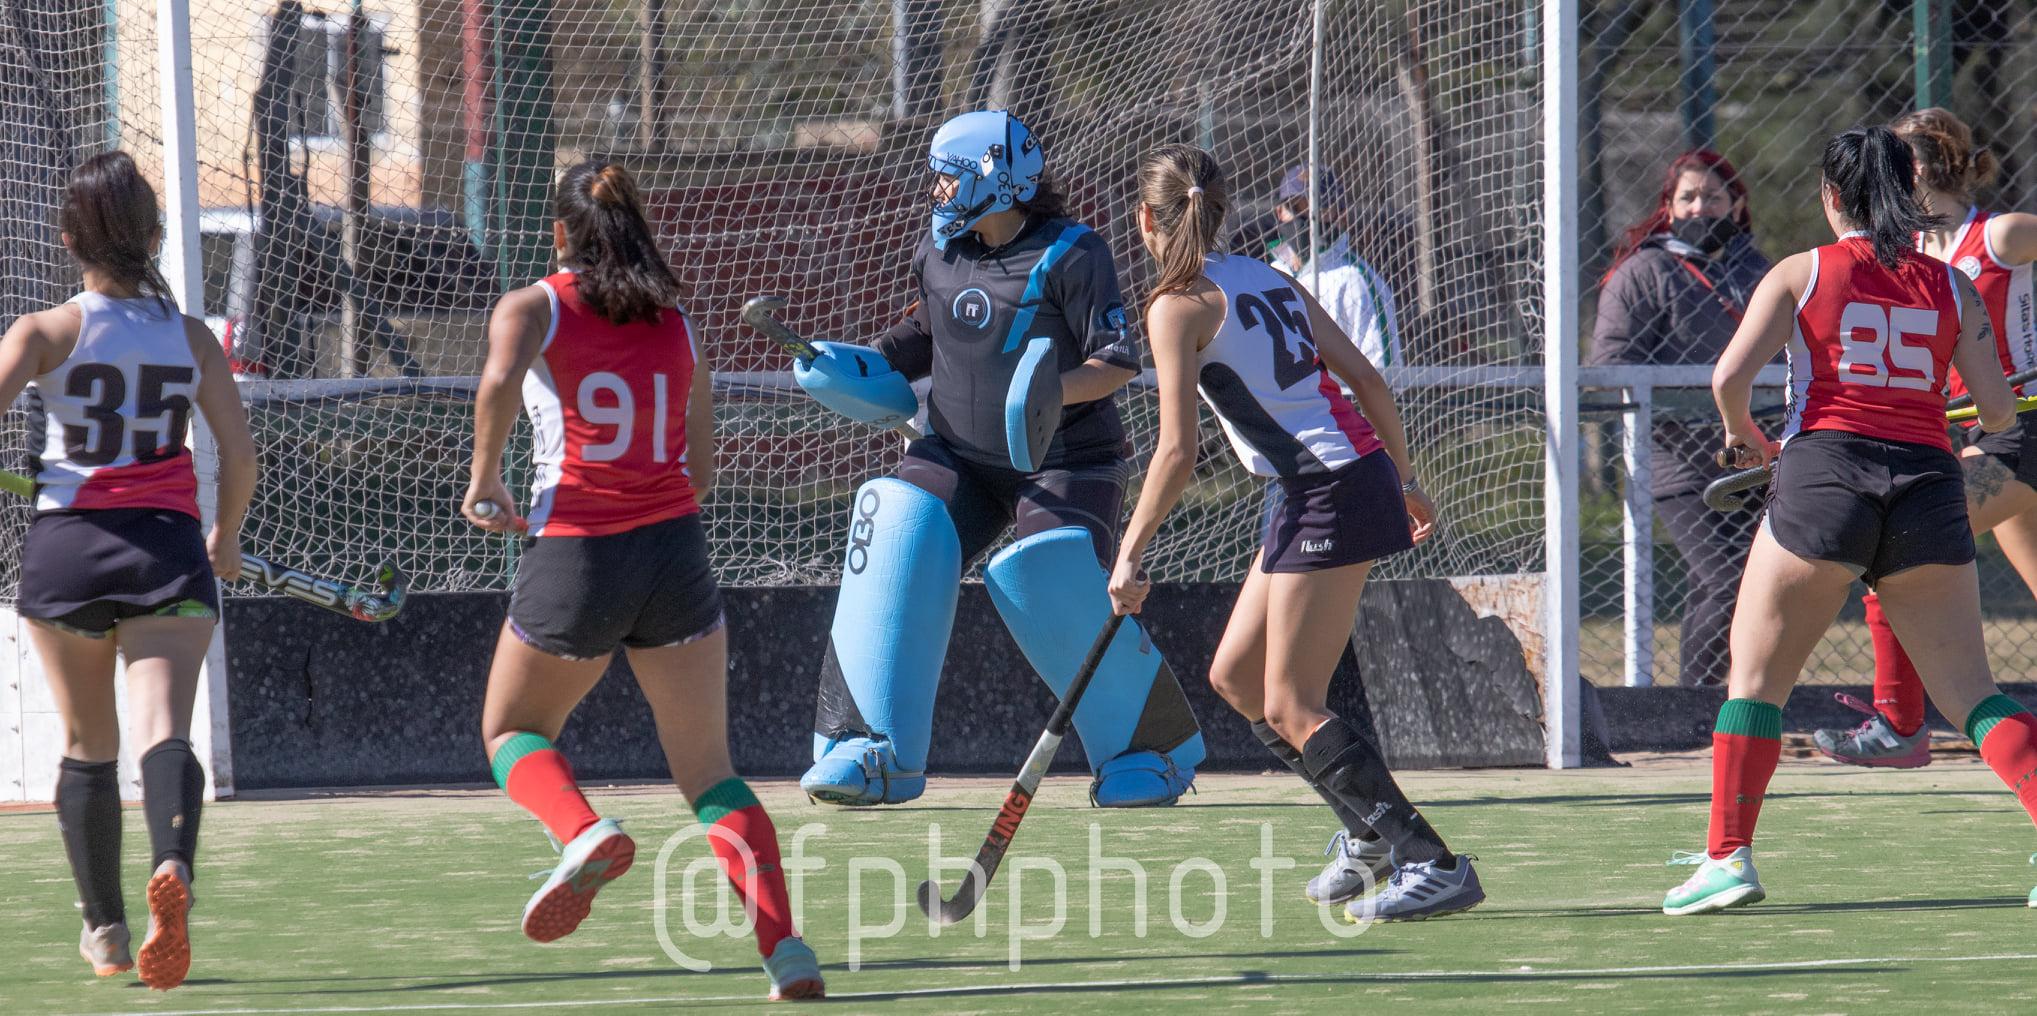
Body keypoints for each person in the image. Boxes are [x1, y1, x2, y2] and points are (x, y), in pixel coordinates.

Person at [460, 161, 822, 1000]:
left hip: (579, 552)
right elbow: (699, 473)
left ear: (560, 234)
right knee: (710, 773)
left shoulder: (531, 306)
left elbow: (496, 383)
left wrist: (485, 480)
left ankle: (581, 832)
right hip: (676, 555)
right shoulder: (679, 325)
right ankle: (787, 952)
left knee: (511, 730)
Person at [1664, 126, 2037, 916]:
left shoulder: (1800, 271)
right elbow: (1997, 410)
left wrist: (1747, 437)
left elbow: (1729, 378)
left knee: (1756, 683)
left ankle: (1728, 859)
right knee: (1973, 696)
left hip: (1821, 481)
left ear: (1831, 197)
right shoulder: (1952, 285)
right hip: (1930, 488)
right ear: (1907, 195)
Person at [1107, 143, 1483, 922]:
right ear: (1221, 209)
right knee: (1238, 680)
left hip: (1331, 490)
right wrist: (1405, 477)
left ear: (1144, 219)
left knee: (1288, 700)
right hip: (1326, 482)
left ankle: (1430, 862)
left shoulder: (1173, 306)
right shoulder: (1271, 277)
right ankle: (1368, 834)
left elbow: (1176, 451)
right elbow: (1368, 379)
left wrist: (1130, 548)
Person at [790, 109, 1204, 809]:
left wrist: (1046, 393)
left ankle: (1148, 750)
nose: (936, 192)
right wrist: (845, 363)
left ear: (994, 178)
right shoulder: (940, 251)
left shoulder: (1074, 252)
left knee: (1048, 572)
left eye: (947, 178)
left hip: (1065, 459)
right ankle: (867, 746)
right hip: (957, 452)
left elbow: (1111, 364)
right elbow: (923, 335)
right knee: (893, 520)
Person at [0, 151, 257, 989]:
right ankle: (173, 863)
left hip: (69, 548)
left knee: (86, 743)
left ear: (68, 238)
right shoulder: (190, 337)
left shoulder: (42, 332)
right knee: (163, 731)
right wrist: (225, 537)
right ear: (155, 235)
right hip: (169, 549)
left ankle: (107, 932)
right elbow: (238, 455)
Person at [1813, 107, 2037, 768]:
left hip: (2014, 431)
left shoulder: (2000, 235)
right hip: (1972, 435)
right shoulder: (1906, 258)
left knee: (1900, 547)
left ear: (1914, 170)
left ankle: (1899, 725)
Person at [1590, 150, 1772, 688]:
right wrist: (1687, 407)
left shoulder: (1761, 272)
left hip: (1756, 451)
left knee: (1740, 583)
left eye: (1713, 196)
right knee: (1725, 578)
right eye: (1687, 197)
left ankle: (1715, 701)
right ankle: (1699, 704)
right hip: (1676, 460)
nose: (1700, 207)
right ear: (1667, 208)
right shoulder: (1643, 272)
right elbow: (1608, 365)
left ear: (1736, 205)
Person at [1267, 165, 1402, 370]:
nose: (1305, 220)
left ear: (1341, 214)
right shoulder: (1270, 276)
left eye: (1319, 210)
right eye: (1295, 208)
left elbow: (1384, 376)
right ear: (1279, 212)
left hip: (1339, 401)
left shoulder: (1356, 282)